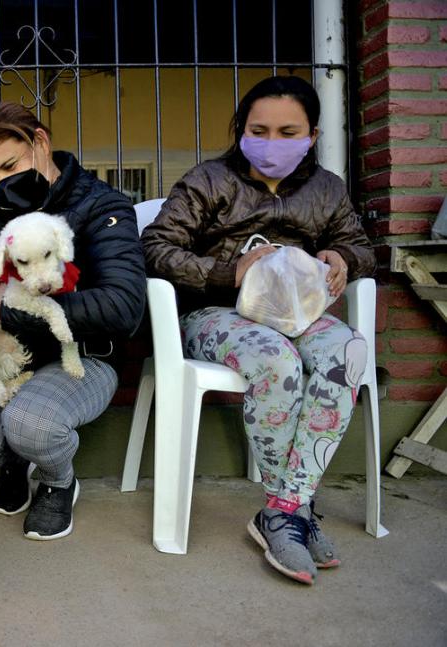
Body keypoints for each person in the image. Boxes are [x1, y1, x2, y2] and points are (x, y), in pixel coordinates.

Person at [141, 75, 376, 584]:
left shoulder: (326, 188)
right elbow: (156, 248)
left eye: (288, 132)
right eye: (259, 129)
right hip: (216, 316)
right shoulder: (208, 181)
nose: (273, 143)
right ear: (241, 130)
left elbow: (361, 247)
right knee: (276, 360)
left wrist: (344, 258)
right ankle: (291, 512)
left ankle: (284, 507)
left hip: (299, 315)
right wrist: (230, 271)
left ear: (312, 136)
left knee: (349, 350)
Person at [0, 102, 146, 541]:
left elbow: (123, 307)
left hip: (80, 357)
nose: (1, 184)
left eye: (9, 166)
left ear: (40, 142)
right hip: (4, 356)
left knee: (33, 425)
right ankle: (16, 455)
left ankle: (57, 479)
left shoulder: (103, 205)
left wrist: (5, 309)